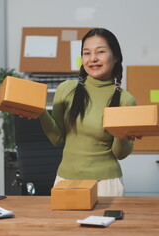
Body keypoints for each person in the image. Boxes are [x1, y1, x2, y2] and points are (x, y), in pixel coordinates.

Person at [38, 28, 138, 196]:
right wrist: (39, 111)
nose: (93, 59)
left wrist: (123, 133)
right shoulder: (65, 90)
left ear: (116, 57)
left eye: (100, 52)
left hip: (105, 184)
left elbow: (120, 154)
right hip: (65, 180)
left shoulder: (125, 100)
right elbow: (57, 139)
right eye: (86, 53)